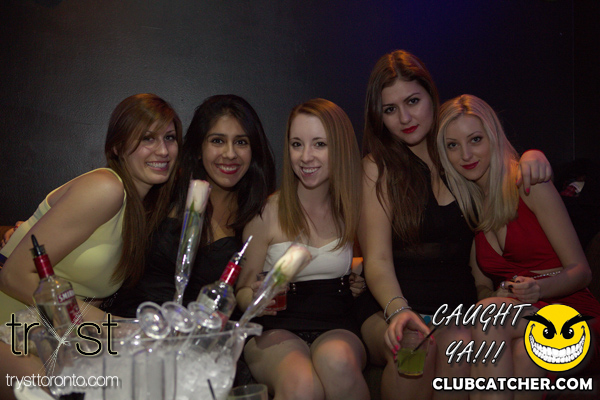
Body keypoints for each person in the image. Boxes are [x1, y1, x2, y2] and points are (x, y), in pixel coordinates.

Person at [355, 50, 553, 400]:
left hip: (457, 312)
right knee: (414, 344)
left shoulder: (458, 155)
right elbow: (378, 260)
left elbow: (500, 169)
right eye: (390, 109)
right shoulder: (377, 168)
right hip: (392, 308)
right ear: (379, 117)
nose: (405, 118)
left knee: (458, 345)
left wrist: (531, 156)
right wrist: (400, 311)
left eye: (413, 101)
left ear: (431, 96)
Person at [0, 93, 182, 400]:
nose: (163, 150)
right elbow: (13, 275)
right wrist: (120, 327)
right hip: (9, 325)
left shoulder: (139, 210)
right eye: (147, 138)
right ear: (117, 146)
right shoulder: (106, 188)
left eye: (170, 137)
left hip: (49, 333)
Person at [437, 94, 600, 399]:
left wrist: (538, 290)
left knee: (488, 317)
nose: (466, 154)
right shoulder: (471, 207)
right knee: (521, 353)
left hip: (573, 317)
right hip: (522, 320)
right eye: (452, 145)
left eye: (475, 139)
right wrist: (496, 295)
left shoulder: (528, 184)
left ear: (494, 138)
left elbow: (582, 272)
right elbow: (482, 286)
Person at [236, 98, 370, 400]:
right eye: (297, 144)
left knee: (337, 362)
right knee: (301, 382)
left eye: (319, 144)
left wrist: (357, 278)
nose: (306, 156)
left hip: (337, 324)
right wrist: (256, 298)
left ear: (340, 148)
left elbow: (370, 263)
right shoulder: (267, 213)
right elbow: (242, 291)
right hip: (275, 329)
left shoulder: (353, 211)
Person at [106, 94, 276, 317]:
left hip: (198, 333)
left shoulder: (257, 216)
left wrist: (256, 296)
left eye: (241, 142)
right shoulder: (163, 189)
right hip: (129, 324)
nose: (230, 154)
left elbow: (245, 292)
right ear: (198, 148)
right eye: (217, 141)